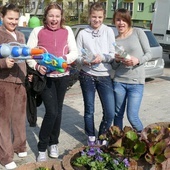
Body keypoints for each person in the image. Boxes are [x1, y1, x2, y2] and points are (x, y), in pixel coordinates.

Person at [26, 2, 78, 162]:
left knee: (59, 111)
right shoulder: (37, 31)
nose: (54, 19)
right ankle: (42, 147)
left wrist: (63, 60)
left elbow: (74, 52)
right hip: (45, 78)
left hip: (62, 77)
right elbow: (29, 54)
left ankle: (53, 143)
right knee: (52, 112)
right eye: (51, 16)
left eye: (57, 16)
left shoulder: (67, 30)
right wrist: (37, 66)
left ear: (61, 17)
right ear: (46, 17)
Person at [76, 2, 115, 145]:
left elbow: (113, 54)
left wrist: (103, 57)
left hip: (104, 74)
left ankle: (102, 135)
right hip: (87, 74)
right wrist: (84, 61)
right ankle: (91, 136)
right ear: (89, 16)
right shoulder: (82, 33)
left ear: (104, 16)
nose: (96, 20)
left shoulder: (108, 31)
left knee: (110, 111)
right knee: (89, 109)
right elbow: (77, 56)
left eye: (99, 17)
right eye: (94, 17)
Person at [112, 9, 152, 133]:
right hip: (119, 82)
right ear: (114, 21)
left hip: (136, 83)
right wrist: (117, 60)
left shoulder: (138, 32)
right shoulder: (114, 40)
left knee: (132, 116)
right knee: (117, 114)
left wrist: (137, 60)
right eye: (118, 20)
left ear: (129, 21)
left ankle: (145, 141)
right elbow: (113, 66)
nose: (121, 23)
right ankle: (118, 142)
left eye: (124, 20)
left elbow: (149, 54)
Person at [0, 4, 27, 170]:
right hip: (4, 82)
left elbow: (26, 56)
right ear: (2, 17)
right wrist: (3, 62)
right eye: (10, 18)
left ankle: (19, 146)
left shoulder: (20, 35)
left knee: (19, 117)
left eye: (16, 19)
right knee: (3, 120)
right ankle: (5, 156)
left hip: (20, 81)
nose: (14, 21)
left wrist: (29, 72)